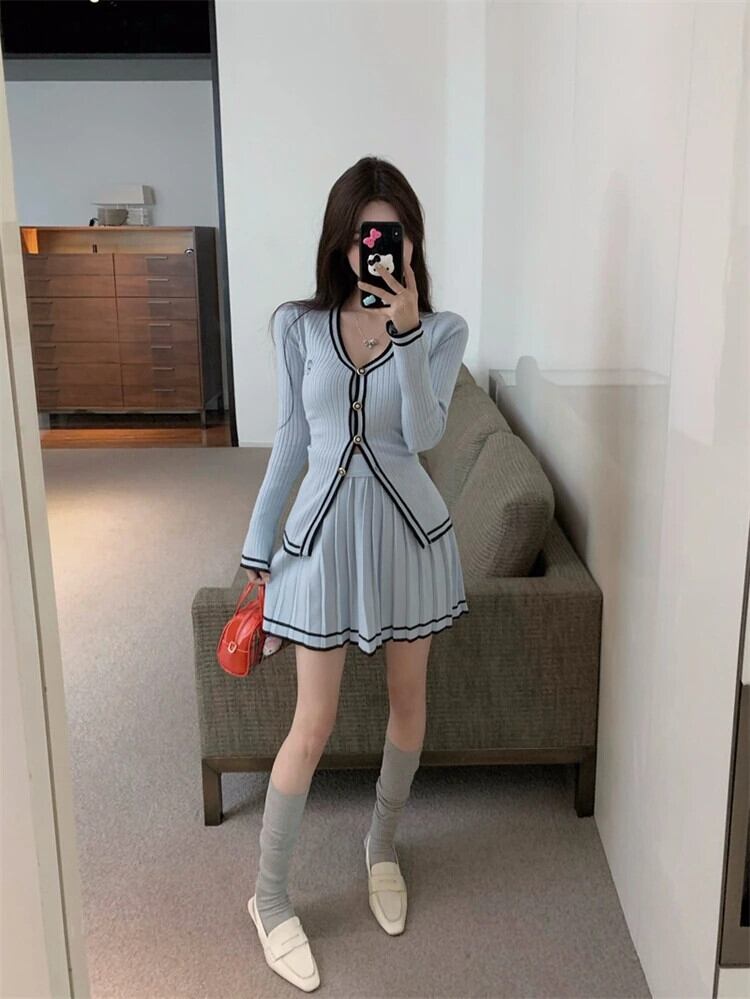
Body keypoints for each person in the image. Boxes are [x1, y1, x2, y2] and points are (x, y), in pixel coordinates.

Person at [241, 156, 470, 991]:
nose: (375, 250)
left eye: (391, 235)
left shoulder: (442, 331)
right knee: (314, 721)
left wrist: (405, 333)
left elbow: (423, 434)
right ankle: (269, 897)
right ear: (341, 242)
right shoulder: (297, 327)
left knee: (409, 702)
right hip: (322, 545)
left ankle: (382, 843)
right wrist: (256, 554)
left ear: (410, 242)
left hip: (411, 540)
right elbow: (291, 444)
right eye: (363, 236)